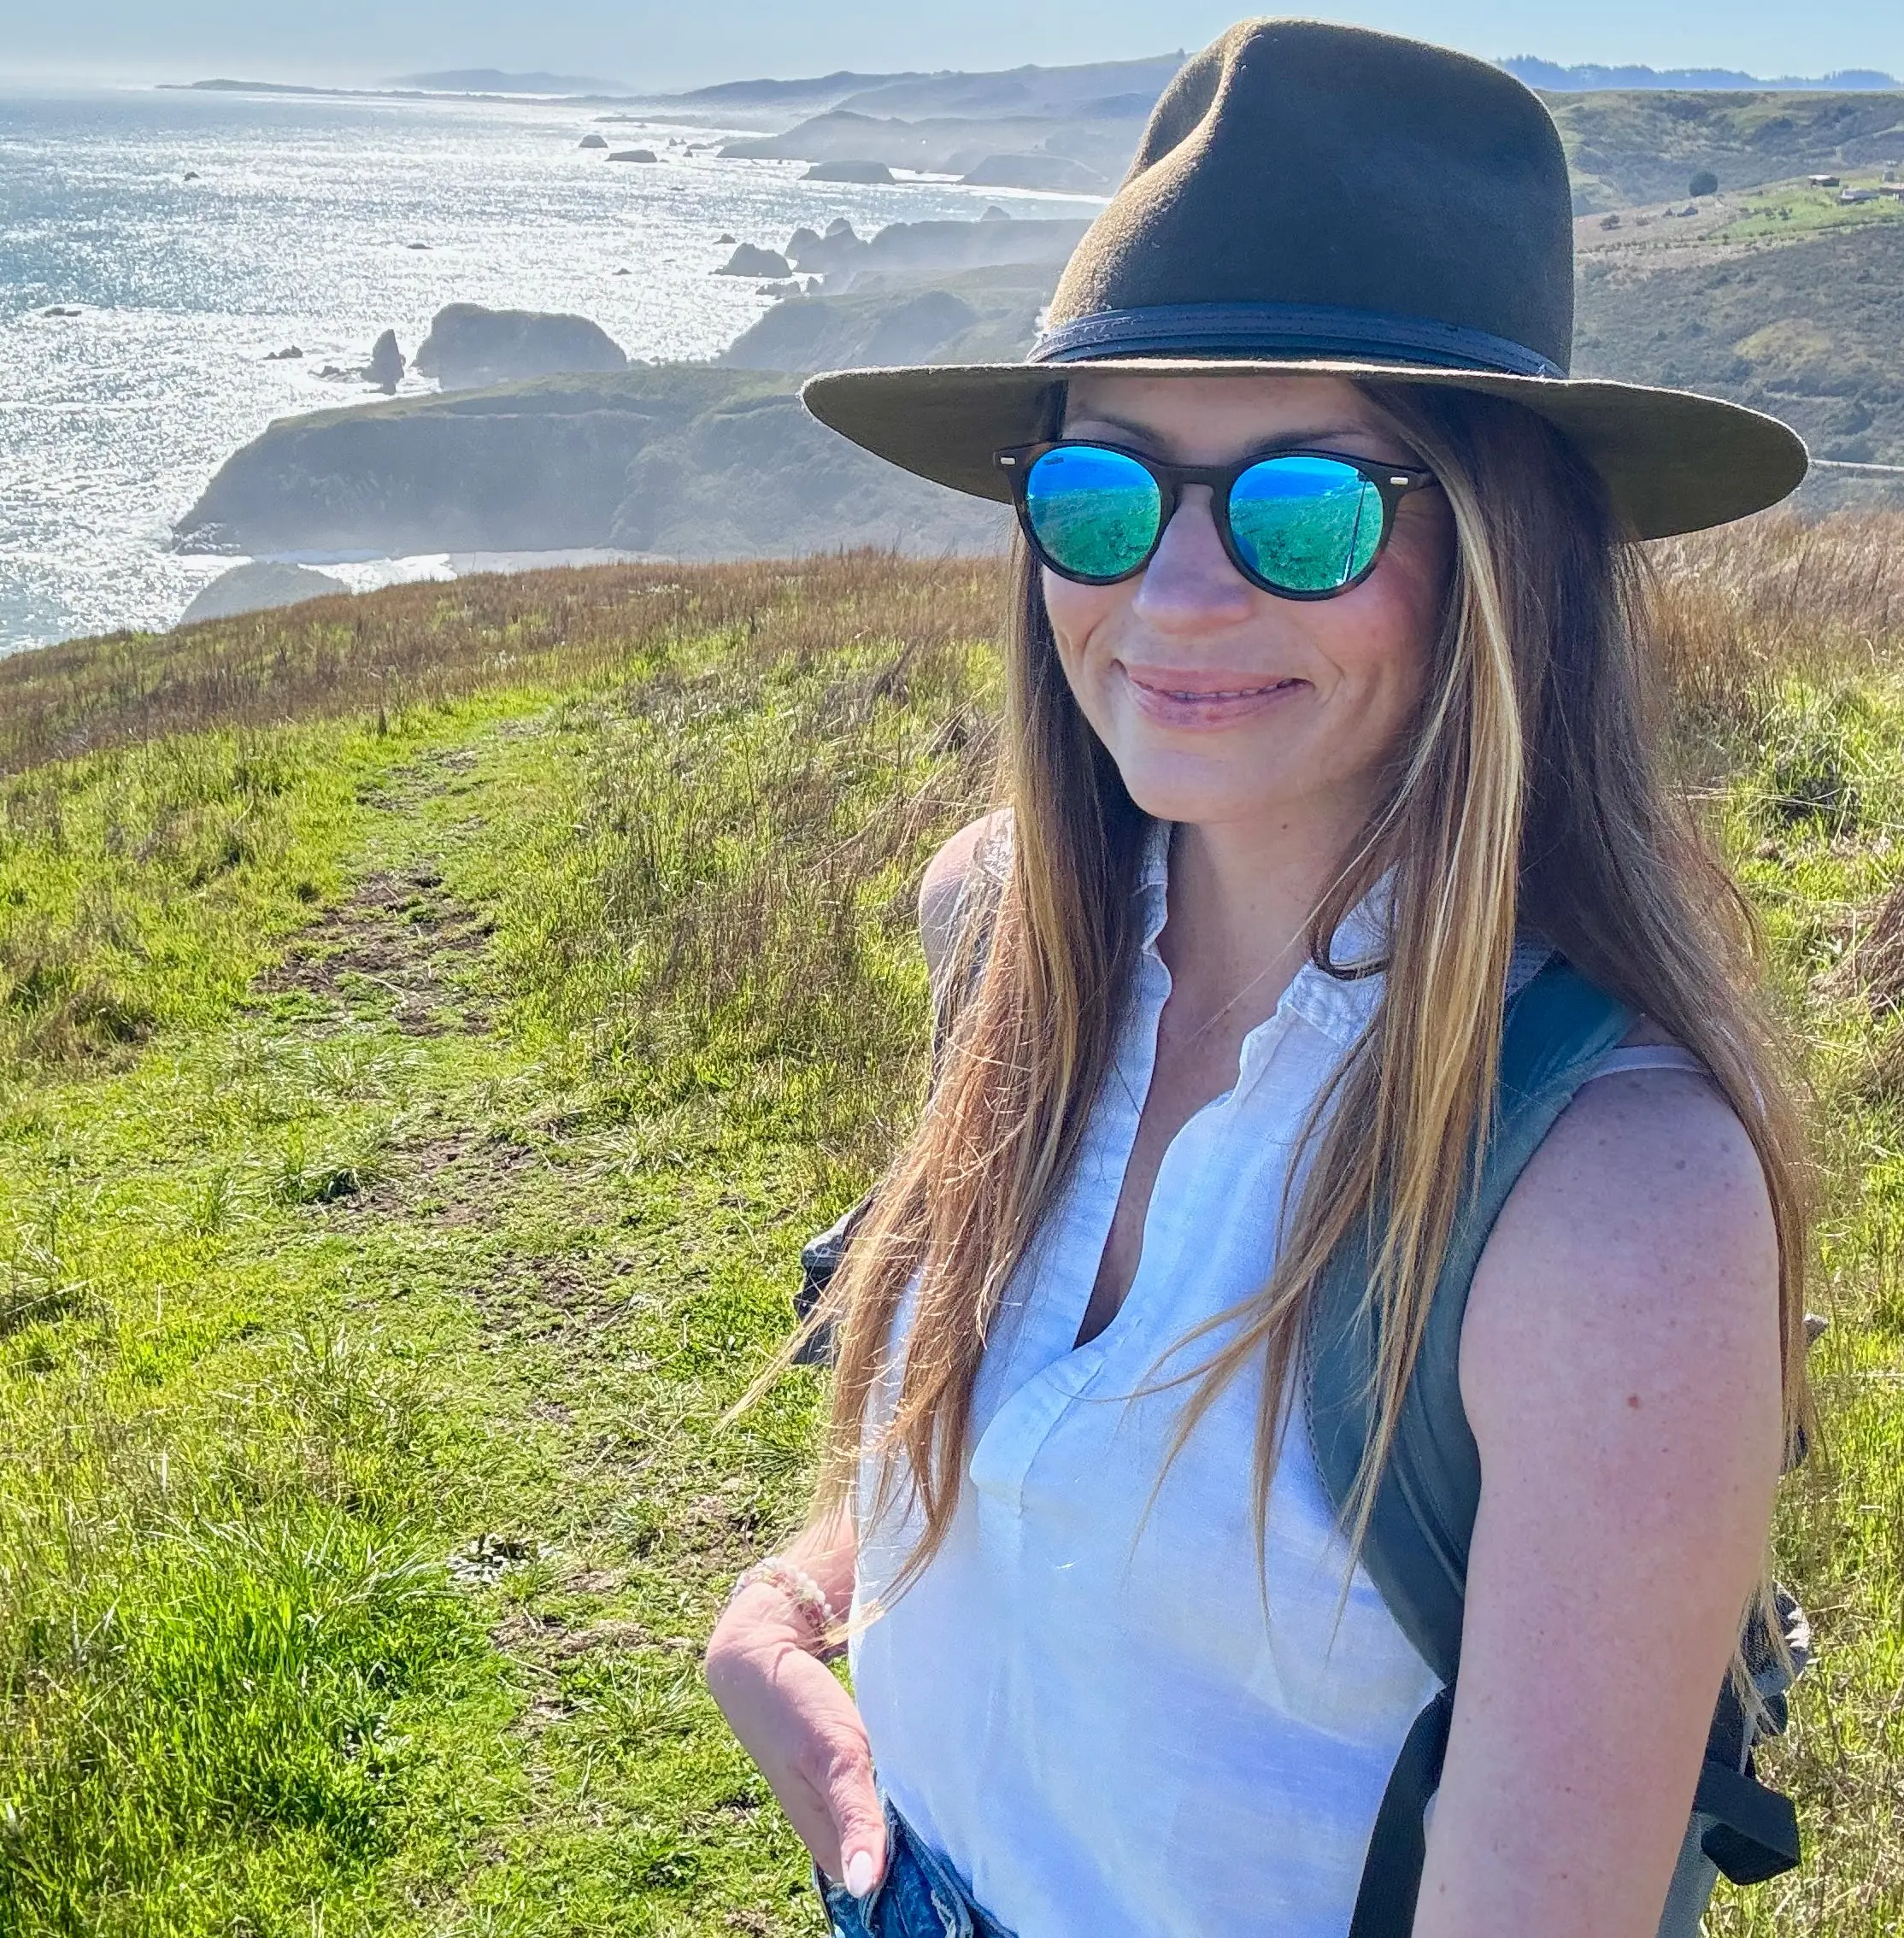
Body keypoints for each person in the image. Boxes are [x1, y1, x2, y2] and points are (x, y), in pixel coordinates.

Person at [705, 22, 1814, 1938]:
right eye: (1103, 495)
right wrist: (799, 1601)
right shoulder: (1009, 934)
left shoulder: (1615, 1207)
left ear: (1502, 556)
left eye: (1310, 508)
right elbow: (1075, 1447)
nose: (1179, 598)